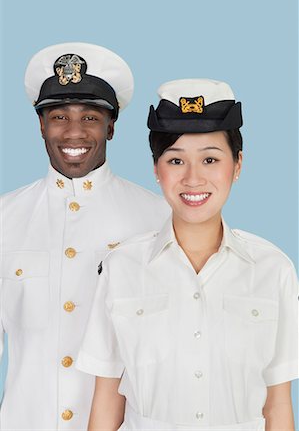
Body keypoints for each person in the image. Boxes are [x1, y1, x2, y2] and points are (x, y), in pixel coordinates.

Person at [77, 79, 298, 431]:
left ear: (237, 165)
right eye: (176, 160)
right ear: (156, 169)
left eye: (210, 159)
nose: (193, 178)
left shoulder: (273, 269)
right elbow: (106, 402)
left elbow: (278, 405)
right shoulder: (122, 267)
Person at [0, 42, 170, 430]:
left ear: (111, 126)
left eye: (91, 117)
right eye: (58, 116)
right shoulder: (4, 218)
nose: (73, 132)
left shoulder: (159, 217)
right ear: (40, 125)